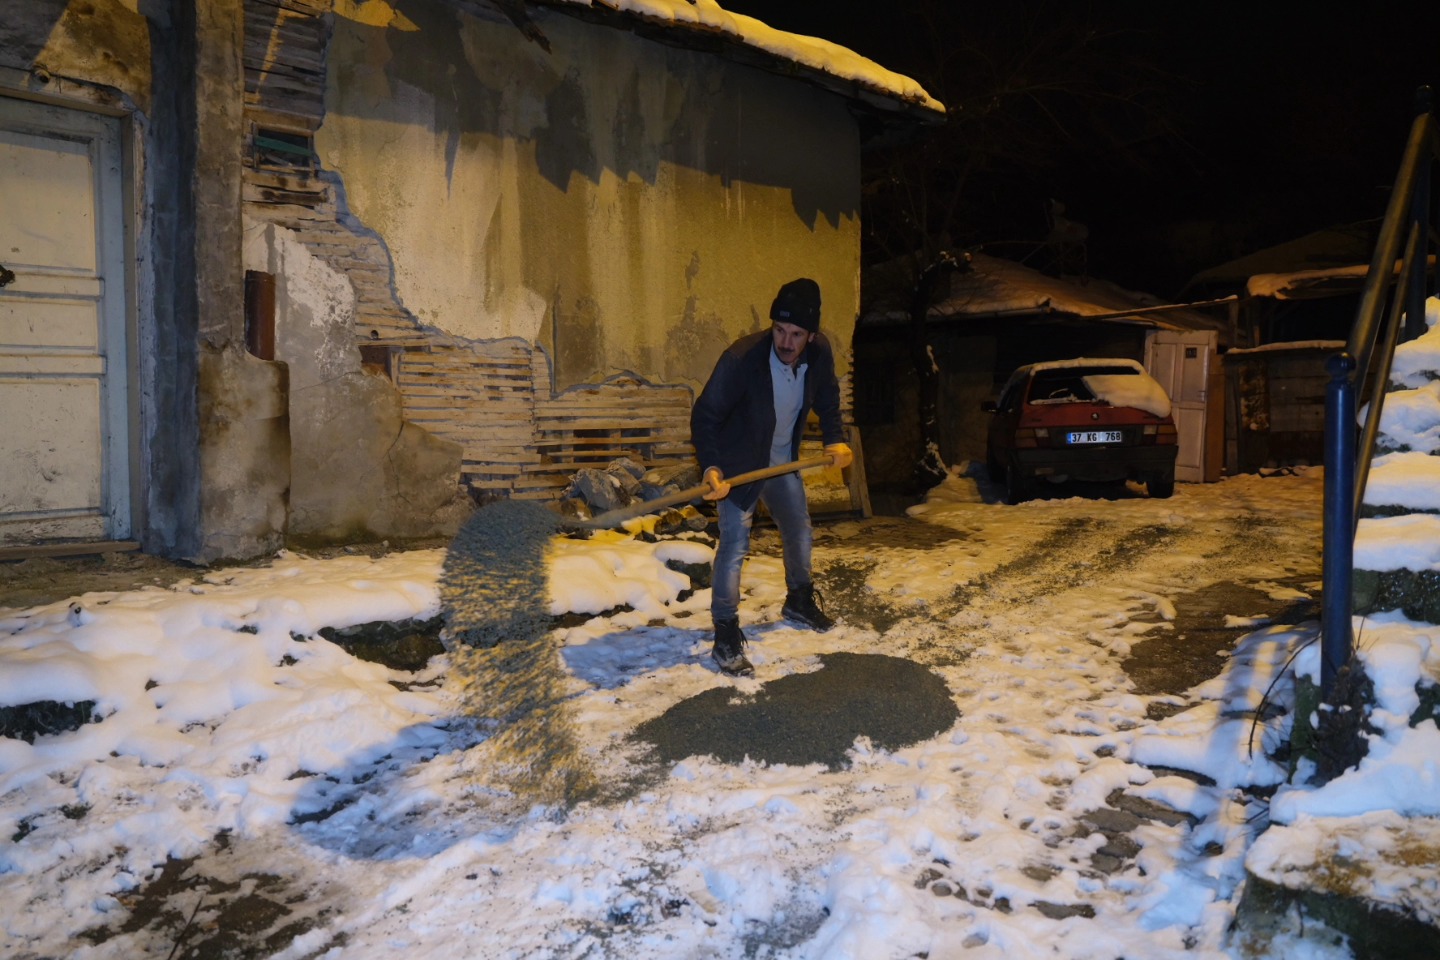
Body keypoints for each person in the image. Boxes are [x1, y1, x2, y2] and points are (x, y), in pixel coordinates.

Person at [689, 277, 854, 676]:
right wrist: (712, 467)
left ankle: (799, 599)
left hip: (781, 463)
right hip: (738, 467)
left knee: (799, 529)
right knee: (734, 547)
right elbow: (705, 415)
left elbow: (829, 396)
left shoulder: (820, 353)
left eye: (796, 334)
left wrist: (835, 439)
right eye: (779, 330)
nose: (785, 342)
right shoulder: (743, 358)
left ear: (811, 336)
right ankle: (725, 632)